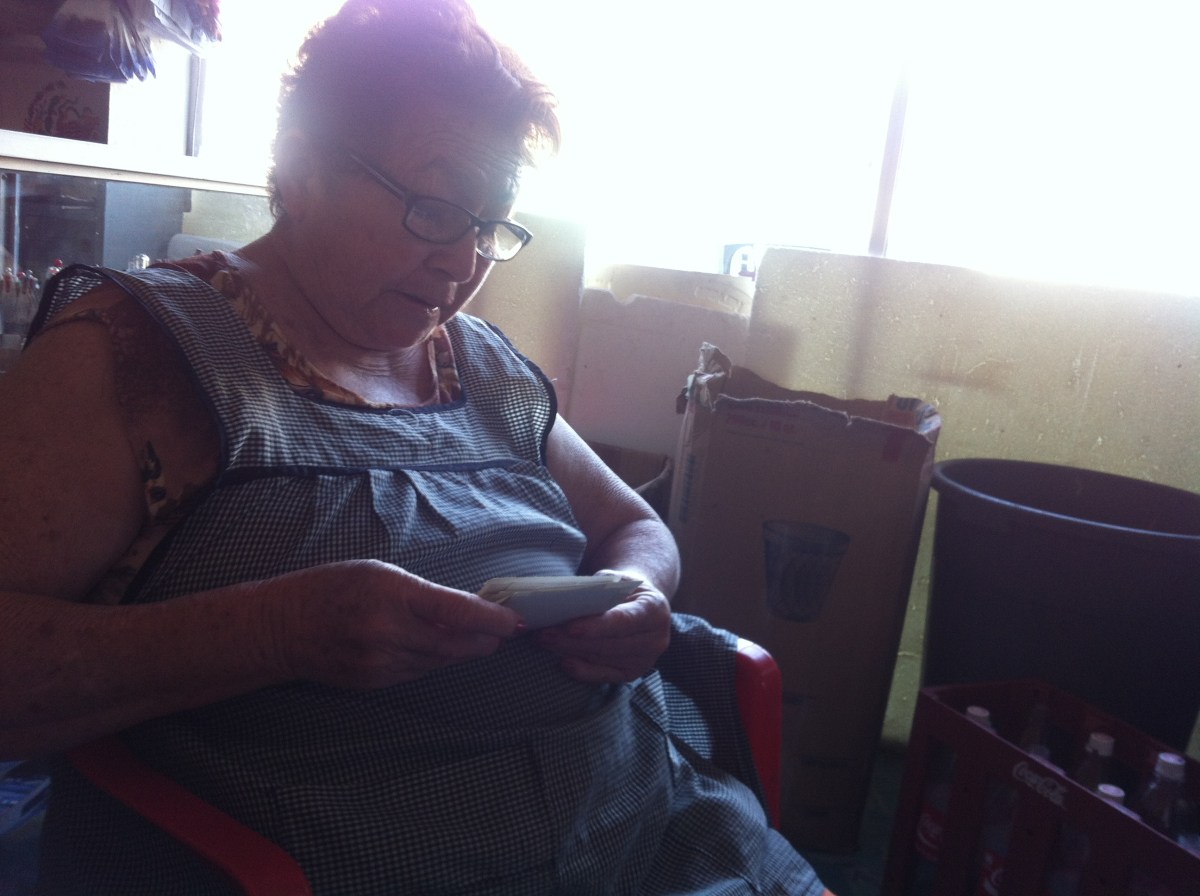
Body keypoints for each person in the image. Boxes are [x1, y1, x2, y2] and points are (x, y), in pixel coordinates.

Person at [0, 1, 829, 893]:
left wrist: (637, 592)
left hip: (668, 829)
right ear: (301, 169)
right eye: (434, 209)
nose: (463, 262)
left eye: (490, 225)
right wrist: (276, 633)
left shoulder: (481, 362)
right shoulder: (137, 352)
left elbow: (634, 525)